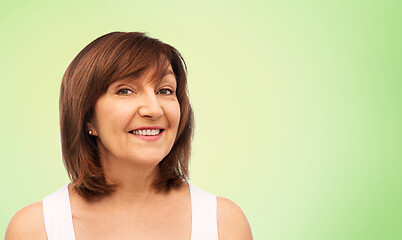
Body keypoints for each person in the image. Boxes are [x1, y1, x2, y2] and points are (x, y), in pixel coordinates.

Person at [5, 32, 253, 240]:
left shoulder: (225, 224)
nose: (154, 109)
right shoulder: (35, 229)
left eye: (165, 90)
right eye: (125, 90)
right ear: (87, 116)